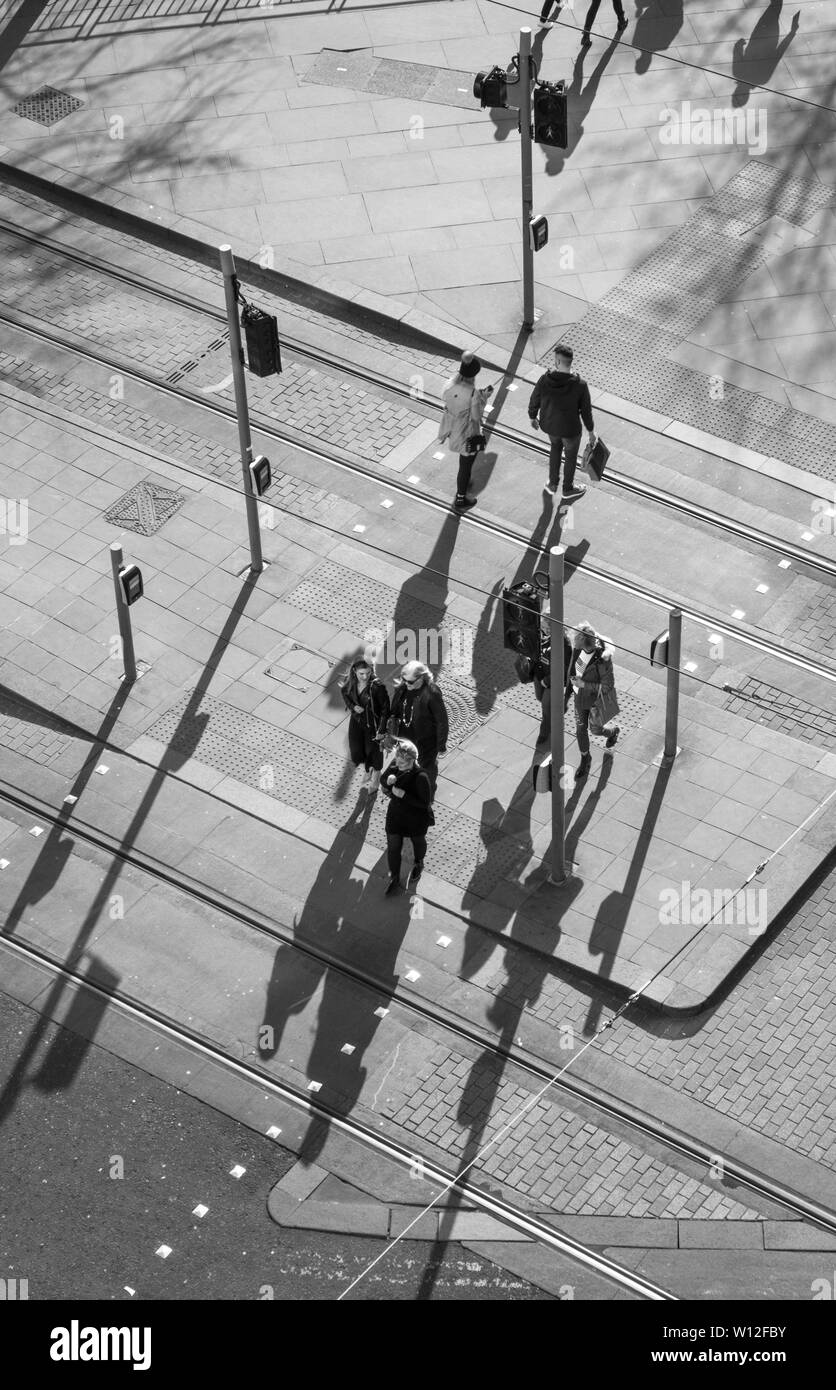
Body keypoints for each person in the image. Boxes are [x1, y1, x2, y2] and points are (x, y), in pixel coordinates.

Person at [528, 343, 596, 502]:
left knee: (555, 449)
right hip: (571, 430)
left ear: (558, 362)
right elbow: (586, 412)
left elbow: (534, 399)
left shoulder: (545, 379)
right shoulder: (580, 385)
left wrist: (532, 417)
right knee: (571, 457)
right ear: (570, 362)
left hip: (551, 427)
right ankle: (567, 488)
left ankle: (552, 484)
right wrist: (591, 432)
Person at [437, 351, 494, 512]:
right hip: (467, 434)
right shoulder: (473, 394)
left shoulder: (449, 387)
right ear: (474, 375)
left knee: (465, 465)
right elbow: (475, 417)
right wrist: (484, 398)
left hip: (453, 430)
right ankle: (461, 498)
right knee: (465, 465)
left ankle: (464, 484)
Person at [566, 621, 620, 779]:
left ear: (586, 643)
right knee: (580, 730)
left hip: (596, 702)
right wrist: (567, 696)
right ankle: (585, 758)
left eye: (576, 641)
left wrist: (584, 684)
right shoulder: (578, 650)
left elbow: (608, 687)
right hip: (579, 699)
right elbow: (572, 671)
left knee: (595, 730)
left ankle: (613, 731)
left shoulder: (603, 660)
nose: (574, 645)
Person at [388, 660, 449, 799]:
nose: (406, 684)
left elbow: (442, 721)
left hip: (425, 742)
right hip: (405, 738)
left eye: (410, 681)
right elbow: (395, 711)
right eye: (404, 680)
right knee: (405, 765)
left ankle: (427, 792)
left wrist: (441, 745)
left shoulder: (431, 693)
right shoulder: (403, 687)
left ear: (421, 678)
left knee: (426, 768)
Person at [381, 740, 434, 895]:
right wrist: (388, 780)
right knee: (393, 845)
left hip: (415, 817)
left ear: (412, 761)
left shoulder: (421, 777)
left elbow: (424, 803)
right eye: (397, 759)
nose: (399, 764)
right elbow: (383, 780)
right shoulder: (396, 764)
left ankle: (419, 862)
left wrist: (404, 795)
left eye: (403, 762)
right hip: (396, 814)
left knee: (418, 841)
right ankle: (394, 877)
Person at [339, 656, 390, 791]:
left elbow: (385, 709)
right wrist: (353, 706)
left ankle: (376, 777)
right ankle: (369, 768)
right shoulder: (350, 681)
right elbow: (344, 692)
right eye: (361, 673)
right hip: (357, 721)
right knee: (356, 751)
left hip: (372, 724)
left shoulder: (377, 687)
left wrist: (382, 730)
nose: (365, 676)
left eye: (368, 673)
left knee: (373, 751)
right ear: (355, 670)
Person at [533, 628, 574, 746]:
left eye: (546, 624)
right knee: (540, 698)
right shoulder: (545, 634)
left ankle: (544, 732)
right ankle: (557, 709)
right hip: (540, 674)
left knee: (546, 707)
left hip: (552, 681)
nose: (544, 627)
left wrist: (547, 681)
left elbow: (564, 668)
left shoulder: (564, 644)